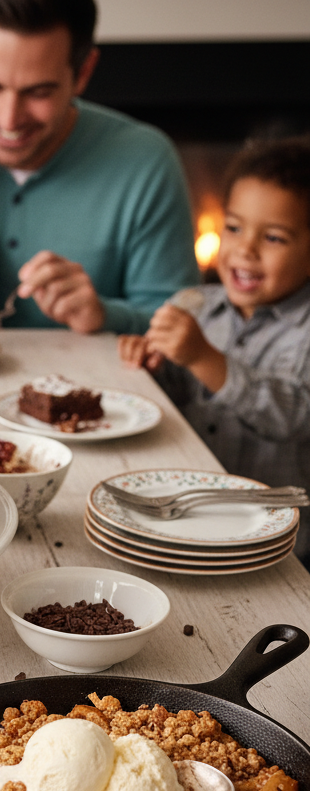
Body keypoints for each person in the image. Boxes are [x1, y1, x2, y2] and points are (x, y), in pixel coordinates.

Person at [118, 136, 310, 562]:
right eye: (235, 227)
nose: (245, 249)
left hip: (278, 544)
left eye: (274, 238)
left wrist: (206, 359)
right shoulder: (197, 305)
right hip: (189, 516)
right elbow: (176, 397)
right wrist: (151, 362)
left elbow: (294, 416)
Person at [0, 0, 200, 334]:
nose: (8, 117)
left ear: (84, 71)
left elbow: (185, 328)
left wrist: (104, 314)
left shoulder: (146, 161)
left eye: (38, 92)